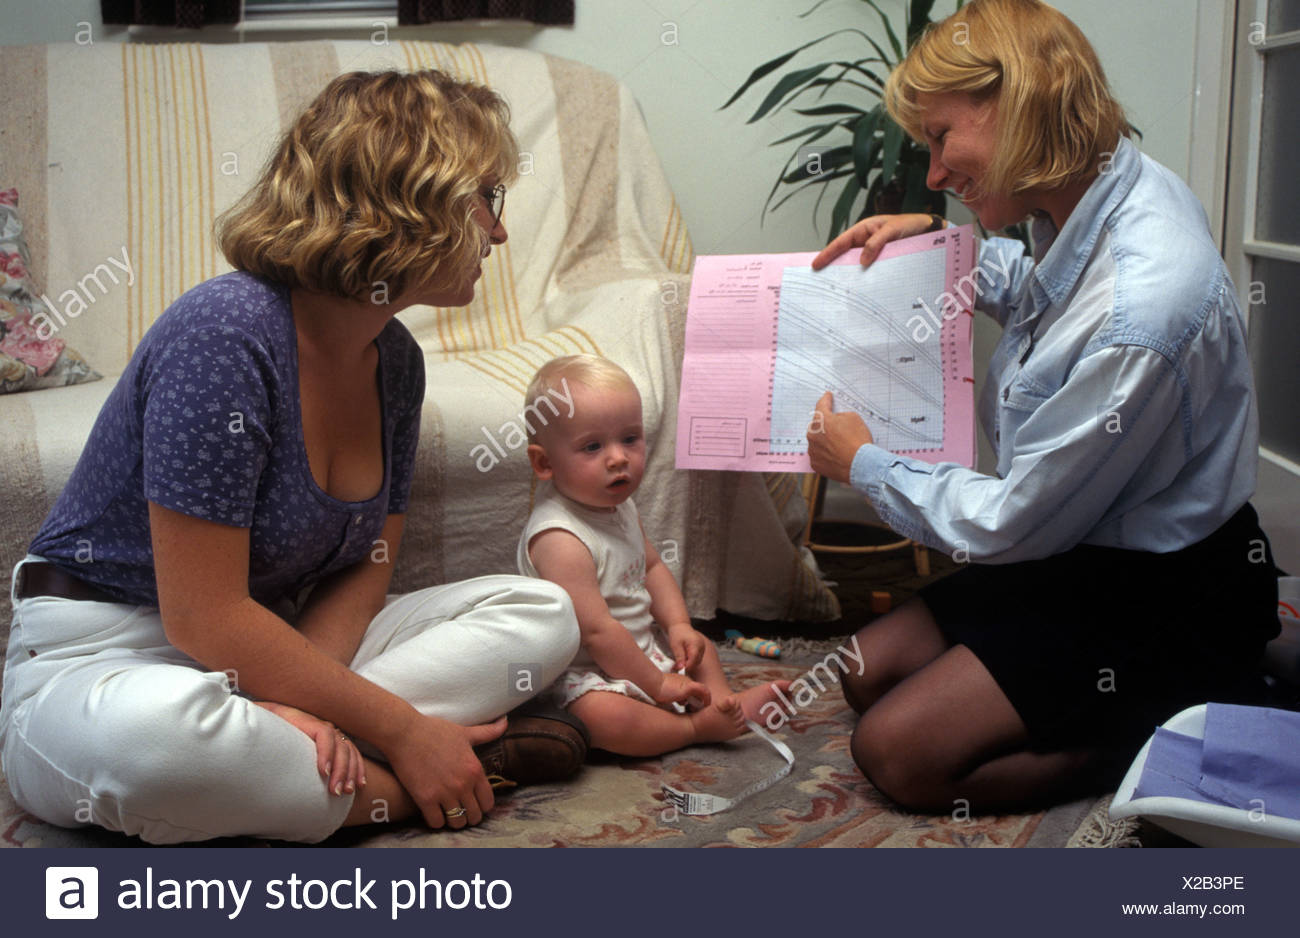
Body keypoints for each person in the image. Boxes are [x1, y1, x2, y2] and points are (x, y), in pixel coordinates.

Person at [0, 69, 585, 844]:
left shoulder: (396, 362)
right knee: (155, 746)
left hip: (281, 642)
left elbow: (367, 566)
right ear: (409, 197)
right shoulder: (225, 333)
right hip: (104, 653)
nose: (498, 230)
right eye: (485, 197)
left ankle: (286, 755)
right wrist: (407, 733)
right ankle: (418, 780)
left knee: (542, 614)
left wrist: (304, 702)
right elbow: (202, 617)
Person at [804, 0, 1279, 813]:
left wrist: (864, 465)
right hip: (1078, 540)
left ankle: (1160, 724)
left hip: (1160, 583)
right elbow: (1044, 295)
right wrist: (936, 248)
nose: (935, 174)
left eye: (943, 139)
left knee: (897, 754)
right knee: (859, 673)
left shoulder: (1145, 304)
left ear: (1018, 108)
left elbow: (1010, 523)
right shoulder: (1101, 185)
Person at [517, 355, 789, 756]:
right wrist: (658, 684)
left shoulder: (620, 508)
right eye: (592, 446)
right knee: (606, 717)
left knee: (701, 647)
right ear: (544, 462)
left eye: (629, 439)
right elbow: (597, 632)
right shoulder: (559, 537)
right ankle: (695, 728)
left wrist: (678, 625)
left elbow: (652, 566)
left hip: (639, 652)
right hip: (583, 673)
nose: (618, 457)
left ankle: (722, 704)